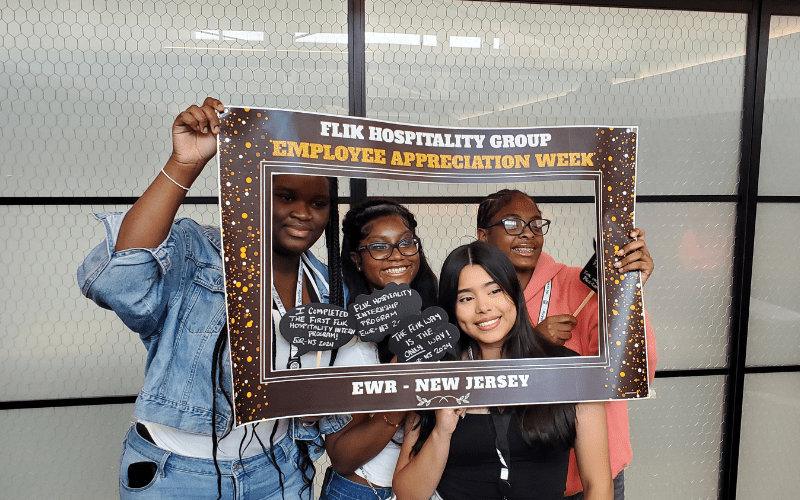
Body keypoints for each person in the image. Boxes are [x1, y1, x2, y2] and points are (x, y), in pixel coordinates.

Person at [77, 98, 350, 499]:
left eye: (318, 203)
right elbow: (119, 280)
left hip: (279, 471)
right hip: (180, 476)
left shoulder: (328, 287)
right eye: (286, 196)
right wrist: (184, 164)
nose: (303, 214)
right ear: (253, 195)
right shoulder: (199, 251)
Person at [393, 241, 613, 500]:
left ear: (514, 293)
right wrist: (442, 431)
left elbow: (598, 485)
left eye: (495, 291)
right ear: (452, 308)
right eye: (466, 298)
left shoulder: (568, 370)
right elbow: (409, 495)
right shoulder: (439, 372)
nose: (483, 307)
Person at [476, 189, 658, 499]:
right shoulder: (474, 297)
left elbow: (630, 370)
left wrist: (628, 291)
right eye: (512, 224)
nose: (527, 234)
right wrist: (535, 343)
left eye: (536, 224)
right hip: (520, 472)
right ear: (483, 236)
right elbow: (475, 385)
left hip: (596, 472)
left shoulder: (582, 285)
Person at [321, 200, 439, 500]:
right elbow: (341, 457)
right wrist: (401, 389)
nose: (396, 255)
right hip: (366, 491)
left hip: (426, 488)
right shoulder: (351, 340)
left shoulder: (437, 315)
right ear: (357, 259)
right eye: (379, 246)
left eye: (405, 243)